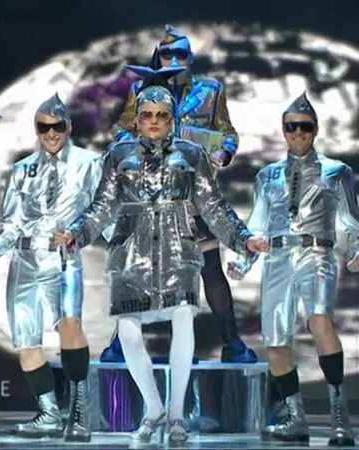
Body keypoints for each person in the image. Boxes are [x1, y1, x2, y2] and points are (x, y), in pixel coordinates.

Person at [53, 65, 268, 445]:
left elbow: (214, 207)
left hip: (178, 250)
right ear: (137, 119)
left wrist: (244, 239)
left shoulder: (192, 154)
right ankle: (154, 409)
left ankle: (177, 414)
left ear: (172, 119)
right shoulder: (119, 155)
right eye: (147, 115)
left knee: (183, 318)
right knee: (128, 331)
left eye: (162, 115)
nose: (154, 121)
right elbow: (101, 207)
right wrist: (76, 233)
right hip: (130, 252)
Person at [103, 23, 257, 364]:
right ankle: (120, 343)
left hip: (194, 192)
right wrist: (133, 143)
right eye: (167, 53)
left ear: (190, 57)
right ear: (157, 56)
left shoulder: (210, 91)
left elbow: (227, 133)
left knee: (210, 267)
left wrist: (224, 153)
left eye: (180, 53)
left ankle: (232, 342)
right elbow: (120, 129)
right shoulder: (142, 89)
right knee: (137, 268)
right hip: (151, 192)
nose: (173, 59)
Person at [227, 92, 359, 446]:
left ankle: (340, 417)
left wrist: (358, 250)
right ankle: (296, 419)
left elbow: (354, 222)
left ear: (315, 129)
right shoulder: (268, 176)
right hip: (278, 258)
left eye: (304, 126)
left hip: (316, 253)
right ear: (283, 130)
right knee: (275, 340)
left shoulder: (337, 172)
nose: (298, 132)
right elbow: (256, 226)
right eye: (291, 126)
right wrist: (244, 259)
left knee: (319, 319)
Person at [0, 93, 105, 442]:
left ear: (69, 127)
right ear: (36, 129)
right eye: (44, 127)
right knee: (26, 340)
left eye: (57, 126)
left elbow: (101, 212)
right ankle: (48, 413)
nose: (51, 133)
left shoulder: (89, 164)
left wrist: (81, 234)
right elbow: (10, 222)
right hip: (25, 261)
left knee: (70, 325)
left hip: (62, 258)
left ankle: (79, 411)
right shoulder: (23, 170)